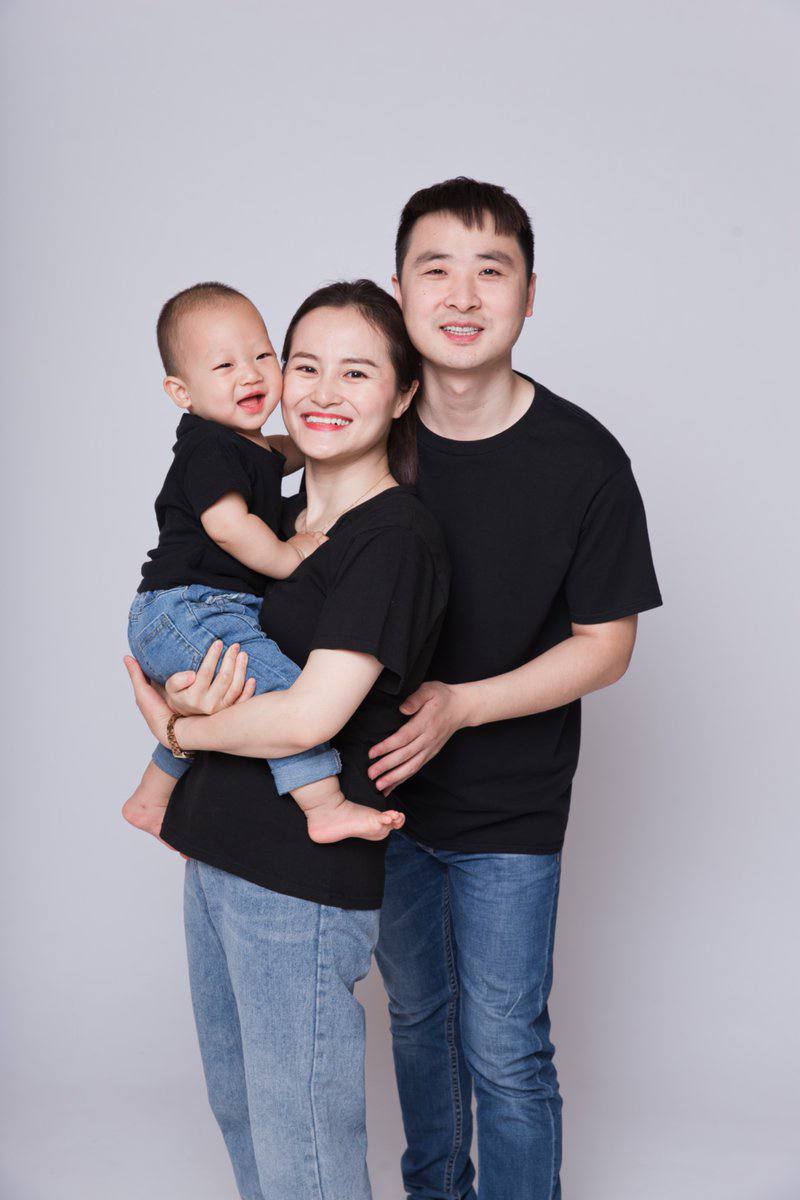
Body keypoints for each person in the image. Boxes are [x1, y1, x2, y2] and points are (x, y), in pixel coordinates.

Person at [367, 178, 663, 1200]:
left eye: (489, 271)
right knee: (415, 1019)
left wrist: (461, 705)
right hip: (380, 797)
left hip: (511, 805)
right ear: (397, 293)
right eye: (435, 269)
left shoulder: (584, 460)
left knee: (504, 1045)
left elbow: (605, 645)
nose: (462, 295)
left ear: (528, 295)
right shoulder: (364, 433)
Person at [124, 279, 450, 1200]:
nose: (319, 389)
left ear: (404, 392)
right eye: (303, 365)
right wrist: (186, 703)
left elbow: (310, 716)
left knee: (301, 1140)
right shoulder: (275, 513)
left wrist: (181, 726)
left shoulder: (393, 538)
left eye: (356, 372)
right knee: (243, 1116)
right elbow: (196, 636)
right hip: (217, 855)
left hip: (297, 886)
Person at [124, 281, 403, 845]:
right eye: (224, 365)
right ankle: (323, 805)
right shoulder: (208, 446)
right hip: (189, 607)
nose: (249, 375)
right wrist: (286, 555)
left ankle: (150, 799)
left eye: (262, 356)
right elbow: (227, 525)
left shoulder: (250, 447)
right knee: (279, 690)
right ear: (181, 391)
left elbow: (288, 449)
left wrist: (326, 425)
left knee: (231, 694)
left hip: (191, 610)